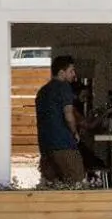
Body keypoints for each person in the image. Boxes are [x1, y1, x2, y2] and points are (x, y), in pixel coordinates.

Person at [34, 55, 84, 183]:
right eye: (71, 71)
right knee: (76, 182)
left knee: (52, 188)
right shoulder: (64, 87)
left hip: (45, 146)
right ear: (62, 73)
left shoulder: (42, 91)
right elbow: (68, 115)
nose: (74, 74)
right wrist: (74, 132)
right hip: (63, 144)